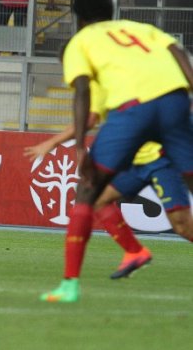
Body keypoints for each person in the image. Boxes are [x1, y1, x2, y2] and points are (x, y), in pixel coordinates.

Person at [40, 0, 193, 303]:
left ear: (79, 19)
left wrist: (81, 147)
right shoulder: (141, 28)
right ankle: (134, 252)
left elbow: (82, 92)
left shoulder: (80, 42)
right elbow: (177, 51)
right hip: (175, 100)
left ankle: (70, 285)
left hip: (135, 111)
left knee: (88, 189)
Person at [25, 80, 192, 283]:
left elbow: (88, 121)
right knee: (98, 200)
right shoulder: (100, 83)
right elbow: (89, 119)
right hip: (135, 162)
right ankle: (135, 252)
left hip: (161, 159)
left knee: (182, 227)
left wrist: (52, 142)